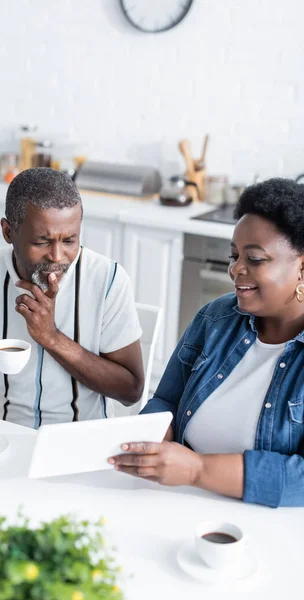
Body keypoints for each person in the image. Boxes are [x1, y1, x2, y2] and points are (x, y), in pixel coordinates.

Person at [110, 178, 304, 508]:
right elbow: (168, 398)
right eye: (234, 255)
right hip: (173, 498)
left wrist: (196, 470)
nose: (236, 269)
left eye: (254, 259)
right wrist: (154, 436)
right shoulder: (216, 318)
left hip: (261, 521)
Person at [0, 168, 144, 427]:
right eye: (42, 242)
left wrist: (51, 337)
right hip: (7, 435)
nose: (57, 256)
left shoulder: (108, 280)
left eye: (69, 240)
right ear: (8, 232)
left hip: (83, 442)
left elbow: (131, 392)